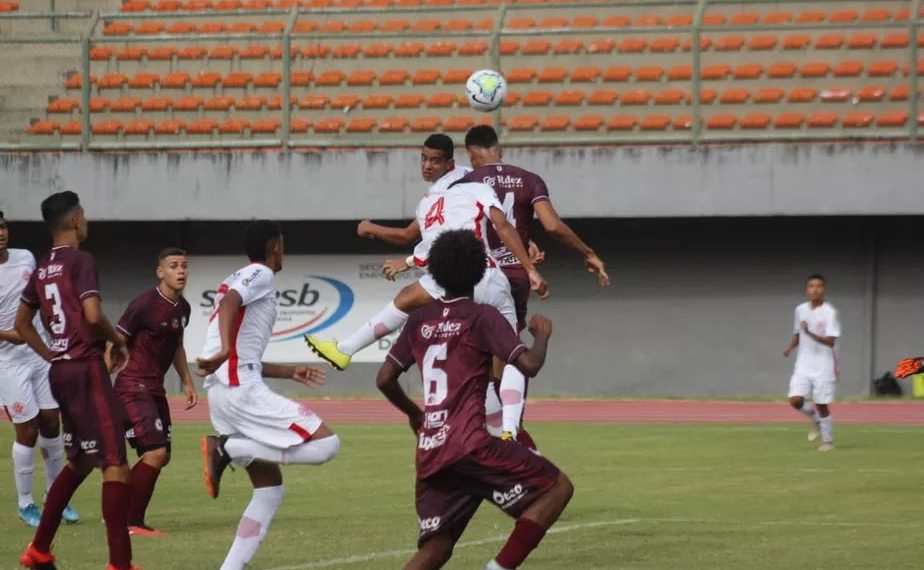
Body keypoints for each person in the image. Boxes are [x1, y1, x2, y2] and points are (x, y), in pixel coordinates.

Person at [307, 134, 546, 441]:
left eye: (434, 161)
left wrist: (402, 257)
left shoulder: (433, 202)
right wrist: (529, 266)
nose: (427, 166)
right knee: (508, 352)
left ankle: (346, 349)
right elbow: (501, 225)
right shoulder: (470, 190)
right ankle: (508, 427)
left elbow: (427, 246)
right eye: (424, 159)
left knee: (408, 302)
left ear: (451, 166)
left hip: (454, 279)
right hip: (488, 275)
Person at [376, 229, 573, 570]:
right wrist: (542, 335)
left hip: (432, 448)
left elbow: (384, 379)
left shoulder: (419, 319)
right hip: (470, 443)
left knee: (436, 548)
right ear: (481, 270)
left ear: (435, 272)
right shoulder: (482, 316)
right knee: (557, 489)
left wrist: (414, 415)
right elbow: (529, 364)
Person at [196, 220, 340, 570]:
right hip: (240, 389)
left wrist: (289, 372)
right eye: (282, 243)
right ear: (275, 245)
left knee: (269, 488)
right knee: (327, 444)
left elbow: (241, 344)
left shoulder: (241, 276)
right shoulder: (260, 273)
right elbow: (231, 303)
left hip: (225, 392)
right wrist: (225, 350)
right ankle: (227, 449)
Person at [15, 191, 139, 570]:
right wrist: (118, 341)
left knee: (81, 460)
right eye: (83, 214)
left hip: (61, 371)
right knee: (115, 464)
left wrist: (51, 353)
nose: (86, 220)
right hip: (86, 367)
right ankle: (120, 564)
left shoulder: (42, 269)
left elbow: (22, 323)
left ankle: (39, 550)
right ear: (74, 220)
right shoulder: (81, 260)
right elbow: (92, 314)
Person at [111, 247, 198, 536]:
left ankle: (119, 511)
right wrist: (99, 382)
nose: (181, 271)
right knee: (156, 452)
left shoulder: (184, 308)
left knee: (163, 454)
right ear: (160, 272)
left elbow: (177, 346)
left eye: (184, 265)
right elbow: (116, 342)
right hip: (132, 386)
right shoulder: (144, 304)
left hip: (154, 390)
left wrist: (187, 382)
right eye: (173, 266)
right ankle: (131, 522)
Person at [0, 212, 79, 528]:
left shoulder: (25, 258)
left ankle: (56, 498)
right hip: (8, 362)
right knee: (28, 430)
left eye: (2, 226)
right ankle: (25, 503)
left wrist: (50, 333)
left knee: (51, 422)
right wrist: (13, 335)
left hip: (39, 354)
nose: (0, 233)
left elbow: (40, 300)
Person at [783, 274, 840, 451]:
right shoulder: (800, 309)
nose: (815, 289)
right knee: (795, 400)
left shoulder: (829, 312)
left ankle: (828, 442)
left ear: (824, 289)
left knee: (822, 404)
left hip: (823, 364)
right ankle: (814, 418)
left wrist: (809, 333)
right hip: (803, 364)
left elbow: (831, 341)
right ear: (807, 289)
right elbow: (798, 334)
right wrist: (790, 347)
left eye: (819, 286)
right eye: (811, 286)